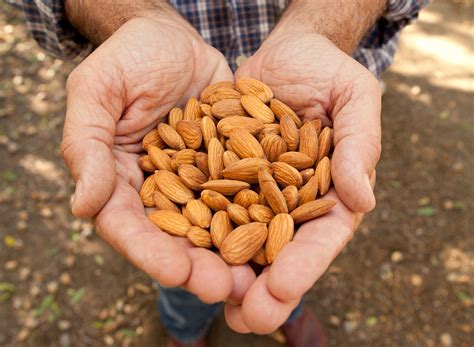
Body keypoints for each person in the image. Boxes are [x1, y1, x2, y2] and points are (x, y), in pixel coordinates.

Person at [6, 1, 428, 346]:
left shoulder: (273, 156)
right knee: (183, 270)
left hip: (308, 93)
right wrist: (133, 17)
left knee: (282, 261)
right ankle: (184, 331)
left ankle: (286, 308)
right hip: (171, 103)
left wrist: (321, 29)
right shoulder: (200, 152)